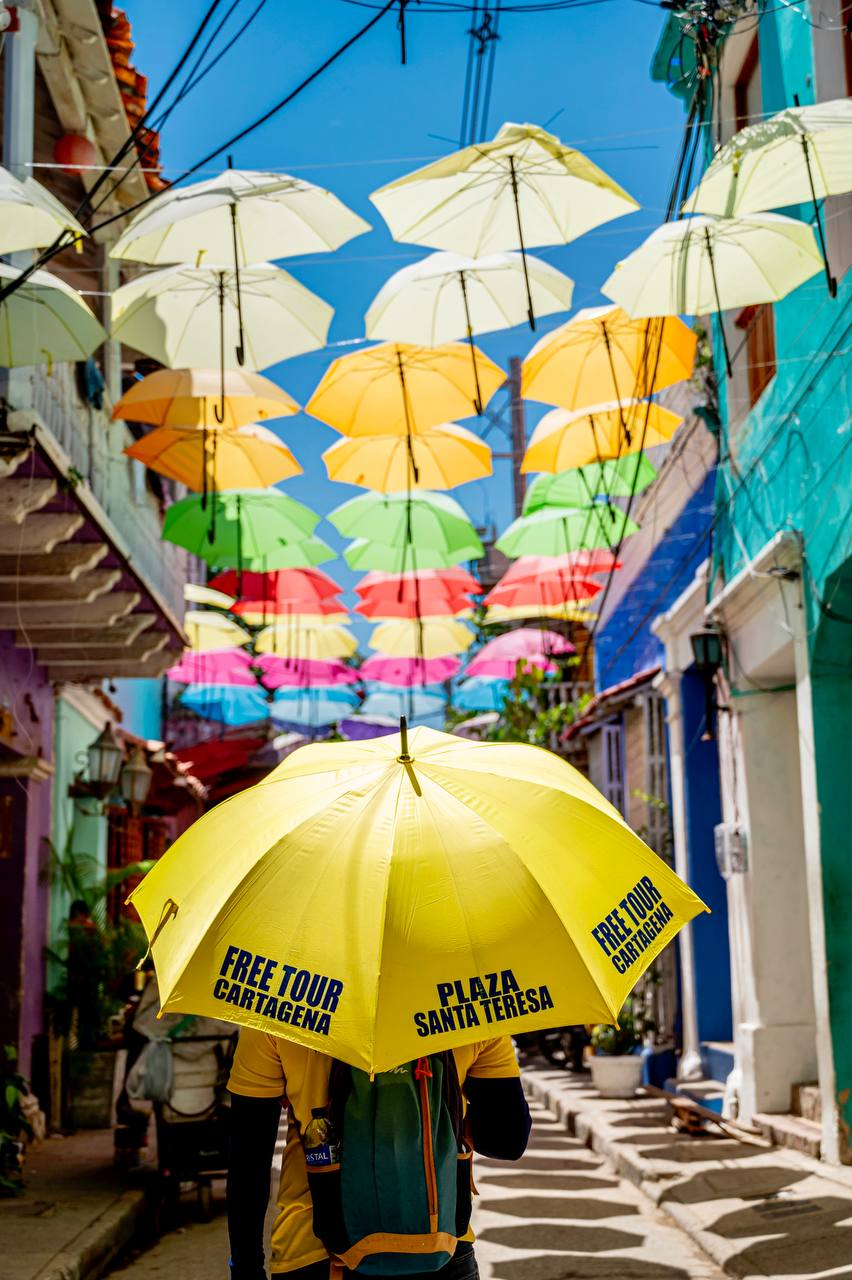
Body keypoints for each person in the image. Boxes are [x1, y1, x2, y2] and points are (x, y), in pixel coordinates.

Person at [227, 1031, 532, 1279]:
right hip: (441, 1244)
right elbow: (507, 1140)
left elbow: (248, 1160)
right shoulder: (468, 1007)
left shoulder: (279, 1009)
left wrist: (245, 1268)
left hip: (315, 1252)